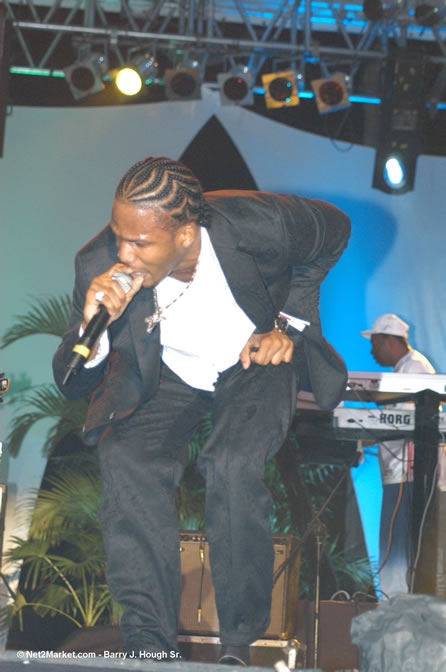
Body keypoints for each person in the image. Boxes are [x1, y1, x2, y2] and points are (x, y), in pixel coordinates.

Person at [53, 156, 350, 665]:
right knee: (127, 459)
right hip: (168, 372)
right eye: (119, 236)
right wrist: (91, 328)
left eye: (140, 243)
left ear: (185, 235)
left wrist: (287, 323)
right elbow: (70, 379)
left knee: (232, 462)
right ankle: (149, 647)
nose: (124, 254)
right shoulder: (96, 264)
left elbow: (334, 231)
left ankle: (238, 643)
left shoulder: (259, 223)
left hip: (253, 358)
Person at [360, 313, 435, 598]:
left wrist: (366, 430)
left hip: (408, 472)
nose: (372, 352)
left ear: (389, 341)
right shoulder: (406, 367)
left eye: (374, 344)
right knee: (396, 540)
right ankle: (397, 601)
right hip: (402, 472)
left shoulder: (414, 367)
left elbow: (404, 421)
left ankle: (398, 603)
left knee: (397, 542)